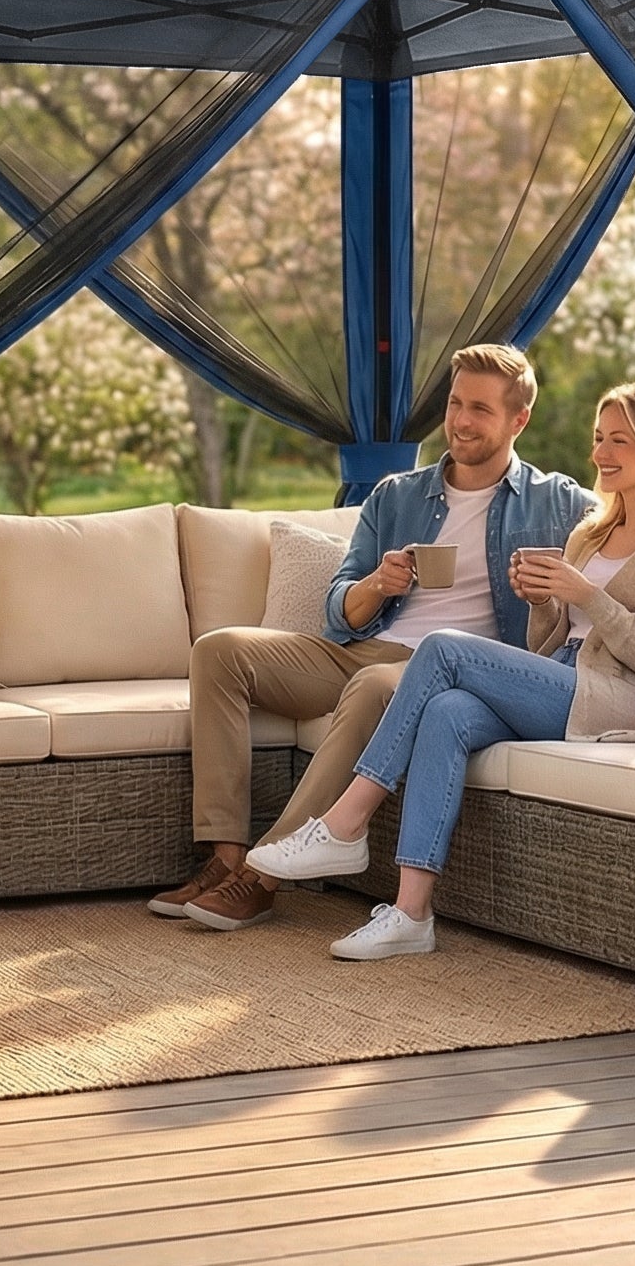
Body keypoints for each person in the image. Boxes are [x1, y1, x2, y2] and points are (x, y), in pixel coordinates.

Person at [249, 380, 635, 960]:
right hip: (566, 680)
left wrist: (589, 596)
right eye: (599, 438)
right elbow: (550, 642)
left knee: (443, 648)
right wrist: (544, 601)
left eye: (620, 441)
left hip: (626, 698)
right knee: (446, 713)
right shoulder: (590, 532)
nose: (601, 453)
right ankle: (411, 912)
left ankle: (347, 822)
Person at [155, 341, 594, 932]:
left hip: (442, 671)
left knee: (371, 687)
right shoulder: (396, 495)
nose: (460, 421)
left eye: (480, 410)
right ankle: (226, 857)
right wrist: (378, 585)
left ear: (520, 420)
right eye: (455, 403)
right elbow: (338, 611)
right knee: (220, 651)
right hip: (366, 649)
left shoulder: (558, 502)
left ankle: (261, 882)